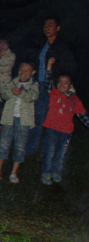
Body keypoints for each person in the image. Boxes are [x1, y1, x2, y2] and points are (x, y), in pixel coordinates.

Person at [26, 17, 77, 155]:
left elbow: (70, 68)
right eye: (45, 26)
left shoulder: (61, 47)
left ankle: (46, 151)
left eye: (50, 25)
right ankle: (31, 148)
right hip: (41, 85)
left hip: (54, 88)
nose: (46, 28)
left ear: (58, 28)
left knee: (53, 118)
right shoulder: (44, 45)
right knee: (38, 116)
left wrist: (64, 86)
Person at [0, 62, 39, 184]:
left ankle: (13, 173)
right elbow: (4, 95)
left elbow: (33, 97)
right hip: (8, 119)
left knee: (20, 146)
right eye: (21, 70)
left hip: (23, 121)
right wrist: (12, 91)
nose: (23, 73)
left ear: (33, 73)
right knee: (3, 144)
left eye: (27, 70)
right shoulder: (13, 82)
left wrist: (20, 93)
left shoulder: (34, 85)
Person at [40, 72, 89, 185]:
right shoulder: (54, 93)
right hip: (52, 130)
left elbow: (82, 115)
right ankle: (46, 174)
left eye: (66, 82)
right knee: (50, 153)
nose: (62, 84)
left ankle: (56, 173)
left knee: (60, 154)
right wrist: (49, 67)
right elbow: (48, 81)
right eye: (60, 81)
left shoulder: (74, 99)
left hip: (66, 132)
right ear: (57, 84)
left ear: (71, 85)